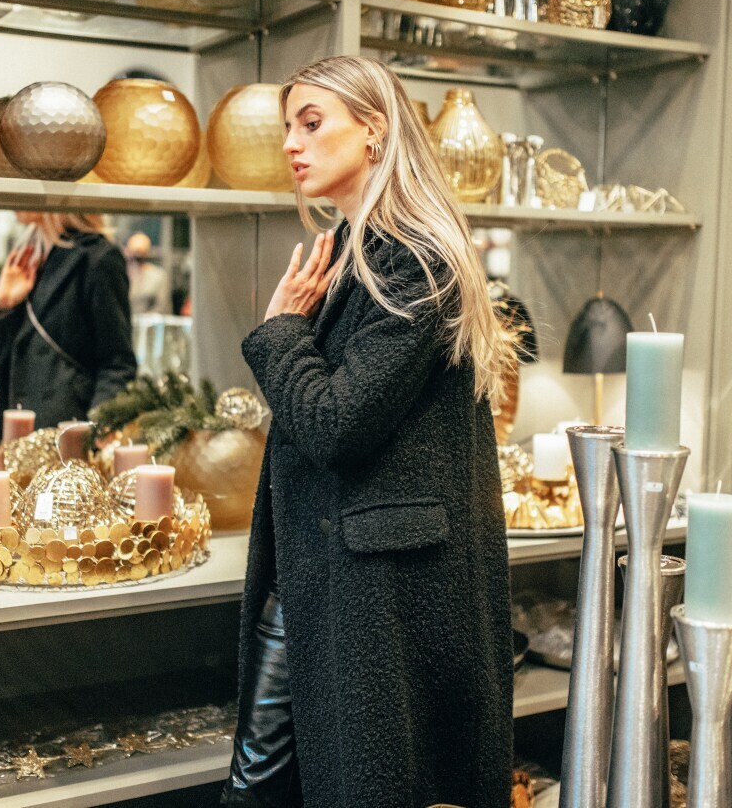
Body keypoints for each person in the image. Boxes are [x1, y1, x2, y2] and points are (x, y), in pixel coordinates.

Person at [221, 56, 517, 808]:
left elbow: (334, 423)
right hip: (325, 577)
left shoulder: (418, 259)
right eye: (289, 125)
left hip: (376, 594)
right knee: (263, 784)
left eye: (312, 123)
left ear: (375, 130)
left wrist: (283, 329)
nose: (292, 142)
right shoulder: (359, 253)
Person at [0, 211, 136, 441]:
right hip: (11, 442)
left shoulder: (97, 258)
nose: (15, 190)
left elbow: (118, 363)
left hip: (63, 447)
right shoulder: (25, 253)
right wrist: (2, 305)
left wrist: (94, 435)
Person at [124, 231, 170, 314]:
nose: (137, 256)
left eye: (141, 252)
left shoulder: (158, 276)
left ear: (147, 252)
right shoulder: (122, 274)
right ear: (127, 251)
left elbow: (162, 306)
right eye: (135, 251)